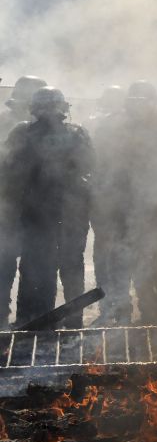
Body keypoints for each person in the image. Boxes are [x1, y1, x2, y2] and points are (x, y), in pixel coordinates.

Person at [1, 87, 93, 328]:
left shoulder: (21, 133)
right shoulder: (77, 134)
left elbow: (8, 174)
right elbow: (90, 170)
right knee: (70, 266)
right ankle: (72, 321)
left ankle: (33, 320)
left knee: (37, 268)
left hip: (37, 216)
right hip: (67, 215)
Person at [91, 82, 157, 324]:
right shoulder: (111, 127)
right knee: (121, 261)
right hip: (122, 208)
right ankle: (122, 313)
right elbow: (98, 167)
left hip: (155, 208)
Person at [0, 76, 47, 327]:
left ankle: (26, 321)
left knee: (32, 268)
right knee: (3, 266)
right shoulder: (7, 125)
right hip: (8, 208)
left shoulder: (48, 131)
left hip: (36, 211)